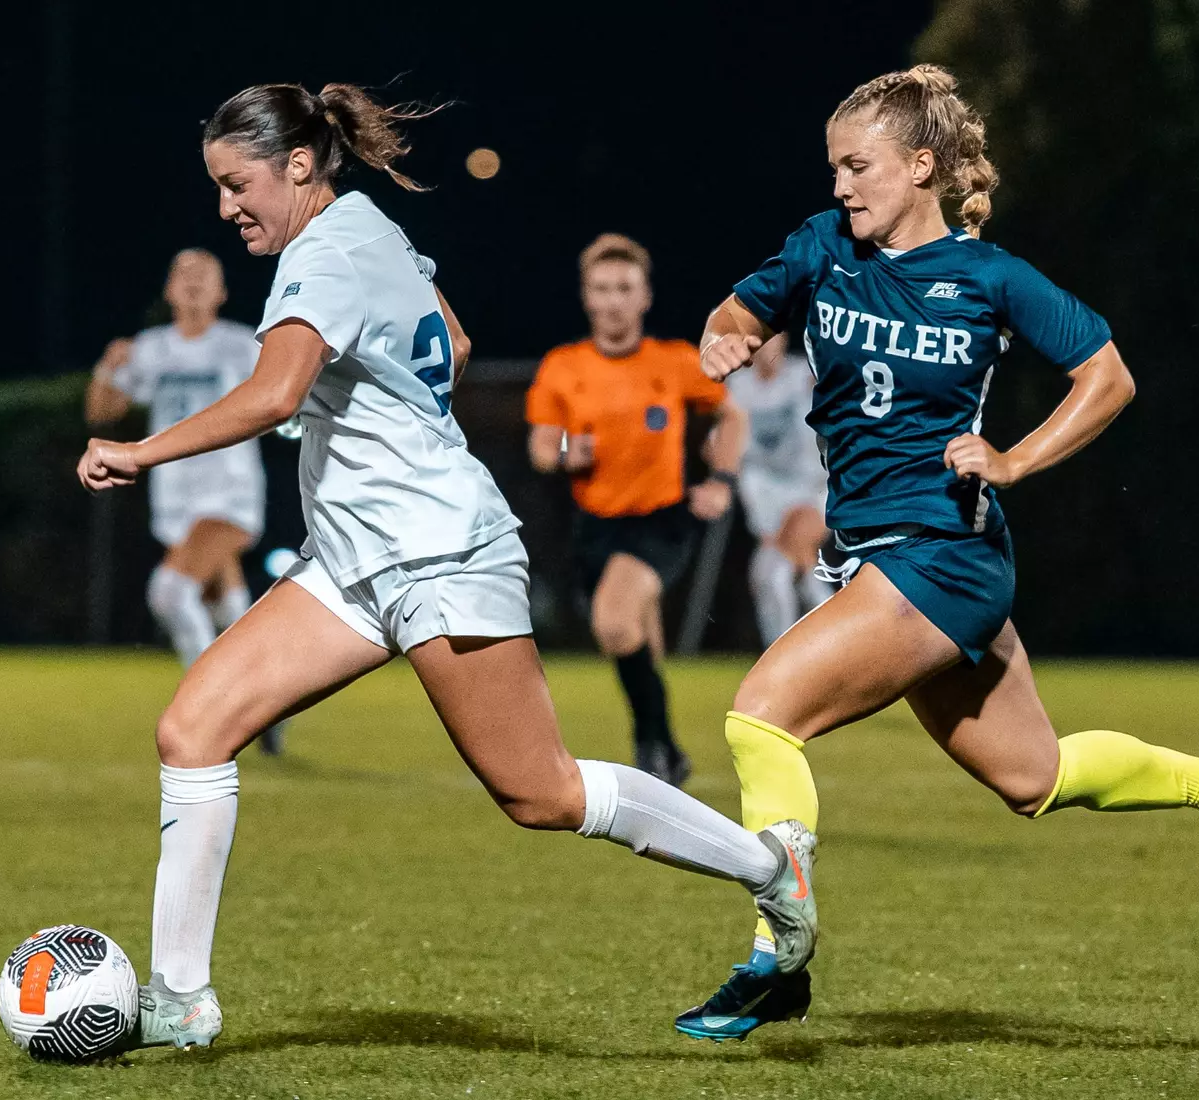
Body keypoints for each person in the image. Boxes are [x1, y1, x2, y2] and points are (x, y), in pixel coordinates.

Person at [75, 81, 817, 1051]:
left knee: (539, 790)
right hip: (353, 557)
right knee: (193, 725)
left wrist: (138, 449)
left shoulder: (327, 253)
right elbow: (454, 342)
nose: (226, 207)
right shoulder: (370, 230)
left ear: (299, 165)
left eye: (236, 182)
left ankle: (770, 870)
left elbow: (274, 389)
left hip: (437, 552)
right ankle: (177, 1000)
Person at [673, 65, 1199, 1042]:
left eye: (859, 166)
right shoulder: (820, 248)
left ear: (920, 165)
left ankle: (779, 944)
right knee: (1035, 778)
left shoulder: (988, 278)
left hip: (942, 554)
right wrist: (725, 335)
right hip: (894, 558)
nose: (840, 185)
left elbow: (1107, 376)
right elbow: (735, 312)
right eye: (834, 168)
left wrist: (1014, 457)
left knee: (762, 714)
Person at [525, 235, 748, 785]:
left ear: (645, 296)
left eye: (625, 288)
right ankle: (667, 750)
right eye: (602, 289)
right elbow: (539, 448)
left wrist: (721, 479)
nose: (614, 300)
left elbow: (733, 419)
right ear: (586, 296)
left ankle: (652, 750)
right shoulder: (563, 366)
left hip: (661, 520)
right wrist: (563, 453)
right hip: (594, 527)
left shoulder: (673, 362)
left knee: (614, 621)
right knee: (634, 639)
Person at [84, 251, 285, 755]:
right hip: (174, 497)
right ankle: (270, 702)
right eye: (183, 275)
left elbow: (285, 393)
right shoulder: (150, 350)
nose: (193, 283)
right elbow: (102, 412)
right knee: (224, 604)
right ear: (168, 290)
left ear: (222, 292)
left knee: (170, 592)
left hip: (230, 492)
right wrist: (107, 370)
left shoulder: (243, 345)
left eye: (205, 276)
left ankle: (214, 707)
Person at [723, 333, 833, 646]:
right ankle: (799, 651)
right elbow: (723, 439)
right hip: (765, 498)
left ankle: (798, 653)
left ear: (783, 340)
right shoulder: (738, 386)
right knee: (774, 574)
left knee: (782, 568)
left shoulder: (803, 376)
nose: (764, 347)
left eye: (771, 338)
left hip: (811, 489)